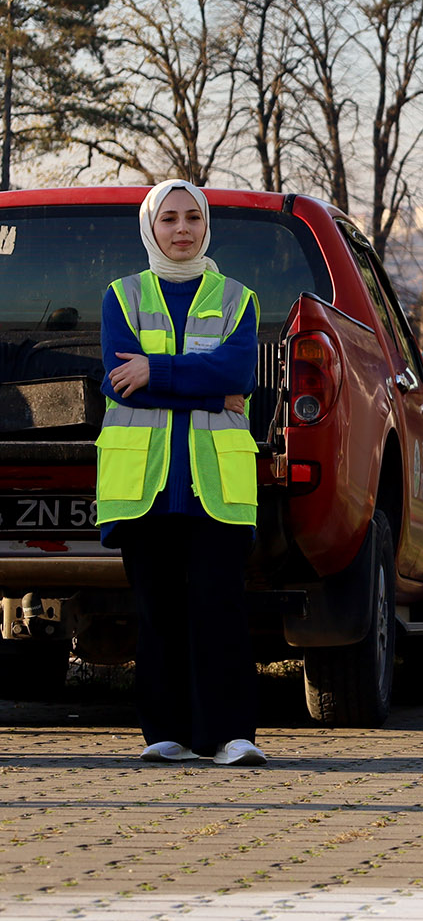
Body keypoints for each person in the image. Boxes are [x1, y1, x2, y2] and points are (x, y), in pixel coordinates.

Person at [96, 180, 264, 766]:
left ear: (206, 225)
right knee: (158, 611)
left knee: (219, 610)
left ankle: (232, 736)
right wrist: (210, 393)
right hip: (144, 490)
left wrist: (158, 375)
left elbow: (238, 371)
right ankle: (164, 735)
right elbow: (117, 382)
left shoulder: (239, 297)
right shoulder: (122, 295)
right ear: (151, 228)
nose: (181, 229)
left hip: (214, 488)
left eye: (192, 217)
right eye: (168, 219)